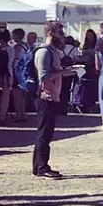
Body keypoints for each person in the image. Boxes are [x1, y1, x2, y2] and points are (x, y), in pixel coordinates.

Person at [33, 23, 74, 180]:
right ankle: (42, 167)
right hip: (45, 97)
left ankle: (39, 166)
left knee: (46, 133)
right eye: (60, 32)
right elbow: (44, 76)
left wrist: (66, 72)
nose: (62, 35)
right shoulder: (44, 52)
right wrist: (63, 72)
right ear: (50, 33)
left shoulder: (53, 52)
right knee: (44, 133)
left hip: (52, 96)